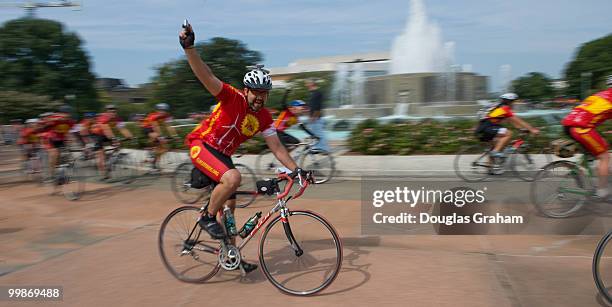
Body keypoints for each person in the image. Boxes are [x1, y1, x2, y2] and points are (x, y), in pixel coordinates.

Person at [180, 21, 312, 272]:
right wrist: (189, 48)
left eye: (265, 93)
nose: (260, 97)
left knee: (229, 210)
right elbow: (205, 74)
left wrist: (297, 170)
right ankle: (205, 217)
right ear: (246, 90)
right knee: (233, 178)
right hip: (202, 146)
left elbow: (277, 147)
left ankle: (230, 254)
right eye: (256, 92)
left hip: (223, 155)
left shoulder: (264, 117)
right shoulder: (231, 96)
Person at [561, 75, 612, 199]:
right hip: (581, 128)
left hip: (569, 125)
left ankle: (579, 171)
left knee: (601, 145)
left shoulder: (600, 95)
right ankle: (601, 190)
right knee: (605, 157)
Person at [475, 93, 540, 171]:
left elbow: (511, 121)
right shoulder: (505, 109)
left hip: (483, 127)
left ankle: (490, 168)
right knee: (508, 133)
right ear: (509, 102)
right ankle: (495, 152)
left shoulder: (500, 108)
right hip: (487, 127)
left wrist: (520, 129)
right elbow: (519, 121)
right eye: (514, 102)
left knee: (496, 145)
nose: (514, 104)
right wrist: (532, 129)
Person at [90, 105, 133, 179]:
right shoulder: (103, 117)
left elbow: (123, 129)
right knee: (101, 155)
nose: (113, 113)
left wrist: (129, 136)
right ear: (107, 112)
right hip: (97, 135)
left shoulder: (118, 119)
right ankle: (104, 174)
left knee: (118, 145)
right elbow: (106, 130)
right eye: (111, 111)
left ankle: (110, 161)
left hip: (106, 135)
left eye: (114, 111)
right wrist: (114, 139)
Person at [140, 103, 179, 170]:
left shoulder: (167, 117)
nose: (162, 112)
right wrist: (160, 137)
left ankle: (154, 162)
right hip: (147, 127)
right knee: (157, 137)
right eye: (160, 110)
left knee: (164, 148)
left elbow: (168, 126)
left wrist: (175, 136)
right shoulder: (153, 116)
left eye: (164, 110)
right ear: (157, 111)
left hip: (154, 129)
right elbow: (155, 126)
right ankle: (151, 147)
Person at [41, 105, 76, 178]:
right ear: (62, 113)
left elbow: (68, 132)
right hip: (52, 139)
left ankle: (65, 166)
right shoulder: (55, 119)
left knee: (66, 152)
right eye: (67, 113)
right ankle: (52, 172)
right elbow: (46, 125)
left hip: (62, 139)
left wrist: (70, 138)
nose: (69, 115)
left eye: (70, 113)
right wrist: (54, 120)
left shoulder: (70, 122)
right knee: (54, 154)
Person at [305, 79, 330, 152]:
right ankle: (317, 147)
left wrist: (314, 117)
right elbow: (312, 106)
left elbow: (318, 106)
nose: (306, 85)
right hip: (314, 117)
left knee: (319, 134)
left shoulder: (317, 93)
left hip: (316, 117)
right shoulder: (312, 93)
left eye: (307, 83)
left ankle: (325, 149)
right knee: (315, 134)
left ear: (312, 84)